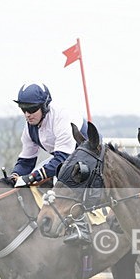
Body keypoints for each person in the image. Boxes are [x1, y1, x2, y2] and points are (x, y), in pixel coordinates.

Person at [9, 82, 90, 244]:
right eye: (23, 110)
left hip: (89, 156)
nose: (27, 114)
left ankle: (82, 228)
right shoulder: (29, 128)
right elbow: (26, 160)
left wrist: (31, 177)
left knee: (60, 178)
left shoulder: (62, 117)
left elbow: (62, 159)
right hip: (66, 159)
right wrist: (15, 176)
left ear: (44, 106)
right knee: (34, 179)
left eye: (32, 109)